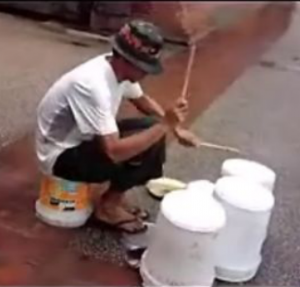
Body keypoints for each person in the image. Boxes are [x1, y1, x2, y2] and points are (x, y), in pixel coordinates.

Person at [35, 19, 200, 233]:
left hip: (82, 142)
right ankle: (108, 208)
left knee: (152, 129)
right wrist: (165, 125)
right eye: (144, 67)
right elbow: (114, 152)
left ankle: (113, 198)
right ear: (126, 59)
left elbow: (143, 100)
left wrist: (175, 129)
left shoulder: (116, 69)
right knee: (150, 141)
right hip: (58, 156)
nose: (147, 72)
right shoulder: (93, 84)